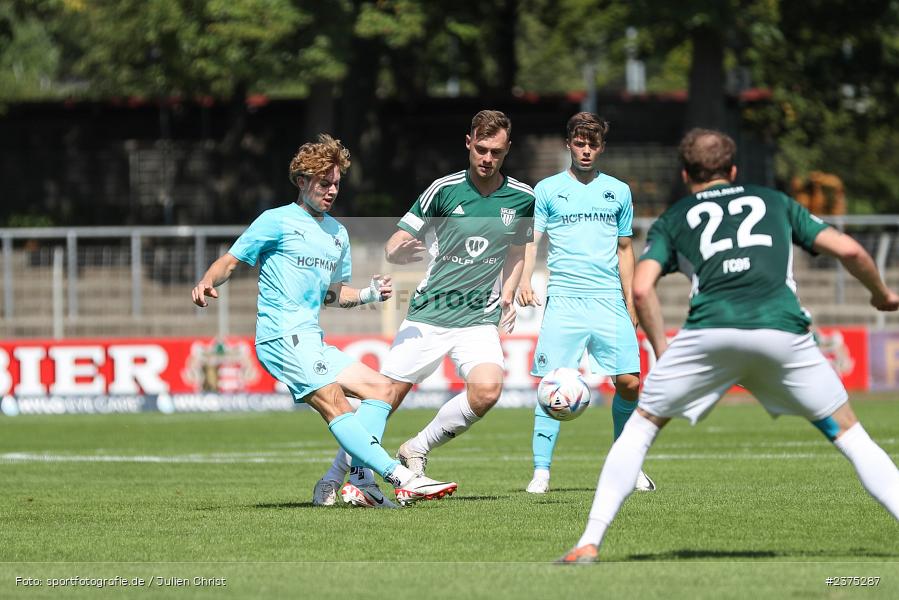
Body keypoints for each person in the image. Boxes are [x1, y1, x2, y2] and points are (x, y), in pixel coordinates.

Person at [558, 128, 899, 563]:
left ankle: (590, 540)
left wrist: (664, 351)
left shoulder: (675, 218)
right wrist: (882, 294)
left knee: (641, 427)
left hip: (709, 334)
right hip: (782, 331)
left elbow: (641, 291)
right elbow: (849, 250)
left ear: (685, 174)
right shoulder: (774, 201)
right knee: (852, 435)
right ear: (733, 170)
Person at [191, 133, 457, 509]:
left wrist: (366, 294)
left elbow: (332, 294)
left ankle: (360, 483)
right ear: (302, 181)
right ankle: (401, 477)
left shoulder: (337, 234)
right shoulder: (276, 220)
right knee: (336, 404)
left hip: (311, 339)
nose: (331, 190)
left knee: (382, 390)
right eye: (323, 183)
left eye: (335, 183)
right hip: (281, 337)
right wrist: (206, 280)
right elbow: (231, 261)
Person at [313, 110, 535, 500]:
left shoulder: (522, 197)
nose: (487, 158)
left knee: (487, 389)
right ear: (468, 143)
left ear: (507, 150)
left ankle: (416, 448)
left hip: (477, 319)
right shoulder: (443, 190)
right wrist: (401, 254)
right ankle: (336, 476)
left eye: (495, 152)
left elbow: (517, 251)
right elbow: (395, 245)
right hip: (429, 315)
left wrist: (510, 293)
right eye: (480, 149)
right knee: (383, 397)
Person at [516, 112, 654, 494]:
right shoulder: (546, 189)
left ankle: (626, 466)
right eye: (580, 143)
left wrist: (631, 302)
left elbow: (626, 249)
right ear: (569, 144)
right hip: (565, 300)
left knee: (629, 383)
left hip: (609, 298)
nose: (587, 150)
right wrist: (525, 279)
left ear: (602, 147)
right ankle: (541, 471)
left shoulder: (619, 191)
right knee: (552, 384)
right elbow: (532, 239)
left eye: (593, 144)